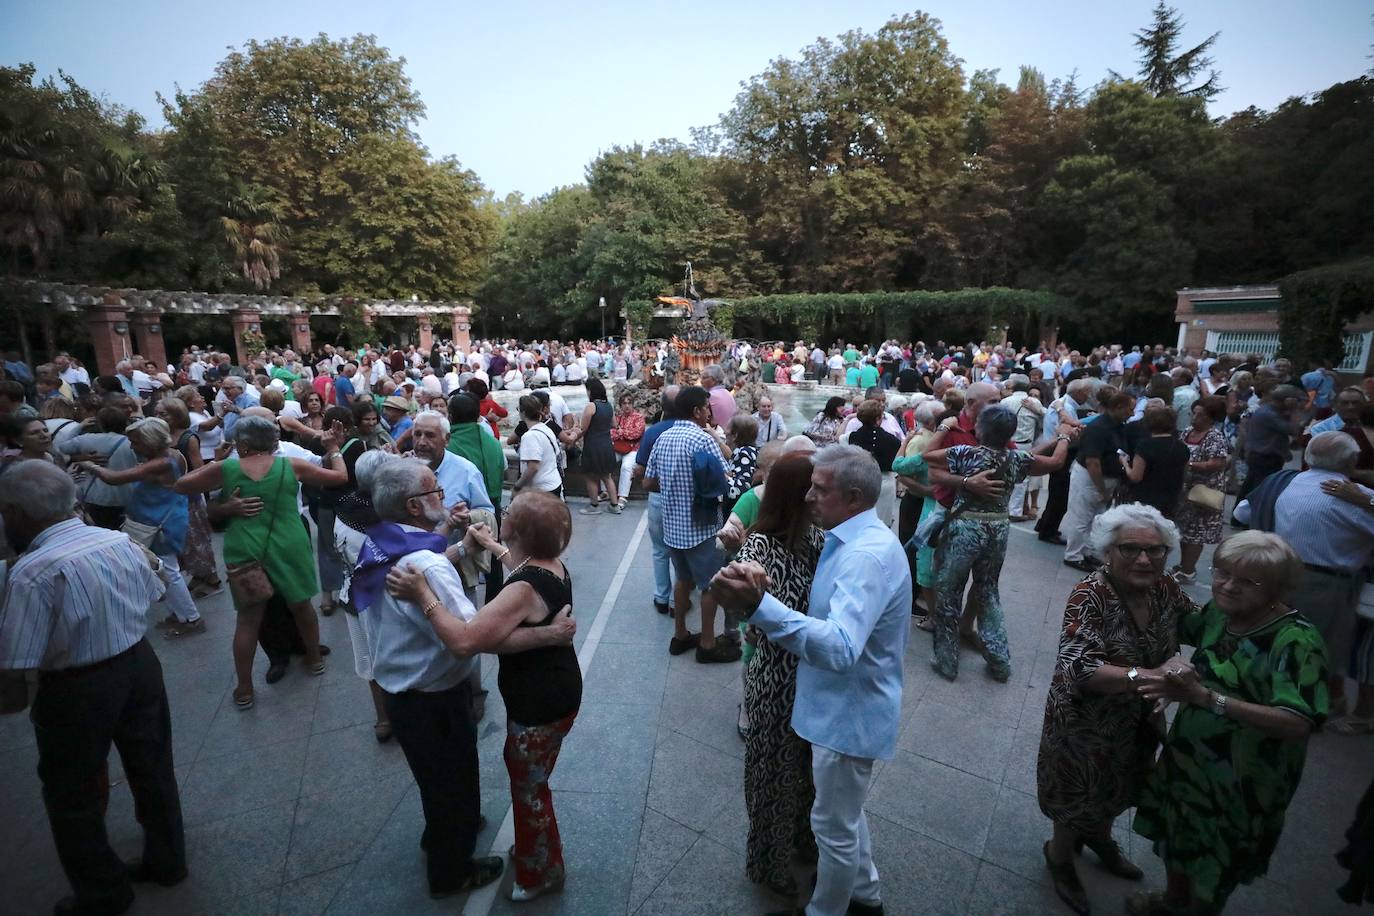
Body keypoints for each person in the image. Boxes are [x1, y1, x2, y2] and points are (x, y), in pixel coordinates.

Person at [710, 445, 911, 916]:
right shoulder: (850, 539)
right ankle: (866, 894)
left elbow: (841, 647)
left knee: (833, 828)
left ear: (854, 497)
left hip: (846, 713)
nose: (810, 496)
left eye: (820, 489)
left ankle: (828, 909)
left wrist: (762, 605)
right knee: (844, 813)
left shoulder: (863, 555)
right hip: (835, 707)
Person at [360, 460, 571, 899]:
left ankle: (443, 833)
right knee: (451, 781)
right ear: (414, 506)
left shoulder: (382, 542)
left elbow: (427, 563)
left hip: (405, 689)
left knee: (437, 777)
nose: (443, 493)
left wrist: (465, 549)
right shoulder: (428, 568)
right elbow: (472, 638)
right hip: (433, 692)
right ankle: (451, 869)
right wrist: (549, 633)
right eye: (434, 489)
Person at [0, 461, 187, 915]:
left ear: (16, 513)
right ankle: (168, 860)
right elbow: (159, 589)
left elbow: (18, 660)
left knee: (72, 791)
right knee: (152, 764)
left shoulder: (31, 572)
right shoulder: (120, 541)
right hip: (138, 664)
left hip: (75, 686)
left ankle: (102, 892)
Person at [1130, 532, 1328, 916]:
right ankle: (1171, 902)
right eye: (1222, 572)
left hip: (1244, 779)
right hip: (1191, 759)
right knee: (1180, 831)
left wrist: (1209, 699)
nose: (1228, 586)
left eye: (1248, 581)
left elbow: (1298, 721)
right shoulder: (1221, 613)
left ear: (1277, 589)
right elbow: (1180, 626)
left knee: (1218, 858)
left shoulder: (1296, 640)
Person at [1037, 504, 1194, 916]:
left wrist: (1183, 664)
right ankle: (1060, 854)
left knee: (1121, 782)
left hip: (1138, 717)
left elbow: (1200, 626)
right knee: (1077, 789)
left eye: (1156, 550)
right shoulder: (1091, 594)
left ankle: (1100, 838)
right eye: (1130, 549)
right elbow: (1080, 667)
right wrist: (1150, 675)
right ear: (1108, 551)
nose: (1145, 559)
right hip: (1085, 719)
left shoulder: (1166, 588)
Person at [174, 415, 346, 709]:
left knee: (249, 619)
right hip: (289, 544)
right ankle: (314, 660)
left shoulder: (226, 469)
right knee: (301, 605)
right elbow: (340, 477)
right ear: (273, 441)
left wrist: (227, 502)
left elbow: (181, 485)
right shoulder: (290, 465)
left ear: (242, 444)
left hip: (246, 548)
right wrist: (334, 449)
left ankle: (244, 688)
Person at [1235, 431, 1374, 730]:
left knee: (1274, 639)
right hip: (1327, 585)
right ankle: (1301, 711)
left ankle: (1276, 703)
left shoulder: (1282, 482)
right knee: (1315, 649)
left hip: (1279, 572)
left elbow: (1241, 512)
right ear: (1351, 461)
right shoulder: (1356, 496)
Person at [923, 406, 1073, 680]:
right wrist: (1063, 437)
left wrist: (945, 427)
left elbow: (927, 456)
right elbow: (1054, 463)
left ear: (979, 430)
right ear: (1010, 433)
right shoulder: (1017, 459)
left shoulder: (965, 453)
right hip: (998, 528)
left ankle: (947, 661)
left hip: (965, 528)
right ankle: (999, 660)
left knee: (949, 592)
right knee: (988, 591)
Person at [736, 454, 825, 904]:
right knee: (771, 773)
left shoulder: (817, 538)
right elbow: (742, 603)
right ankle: (768, 863)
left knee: (807, 771)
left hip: (813, 676)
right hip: (774, 679)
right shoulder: (759, 549)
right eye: (815, 488)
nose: (819, 497)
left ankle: (804, 839)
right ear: (797, 495)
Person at [76, 417, 206, 638]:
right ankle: (179, 613)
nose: (132, 447)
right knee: (162, 568)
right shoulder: (169, 455)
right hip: (159, 519)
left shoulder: (161, 462)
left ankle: (192, 618)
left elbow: (113, 478)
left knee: (168, 570)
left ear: (149, 441)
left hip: (160, 523)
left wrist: (89, 464)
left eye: (135, 442)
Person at [644, 385, 740, 663]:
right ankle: (708, 645)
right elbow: (724, 479)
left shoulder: (663, 437)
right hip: (700, 528)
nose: (710, 412)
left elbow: (648, 482)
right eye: (707, 408)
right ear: (697, 411)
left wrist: (675, 485)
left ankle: (680, 635)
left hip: (672, 526)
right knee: (710, 585)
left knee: (682, 580)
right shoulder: (703, 439)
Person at [1062, 392, 1135, 571]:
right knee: (1082, 516)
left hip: (1104, 479)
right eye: (1130, 409)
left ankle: (1086, 551)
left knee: (1094, 517)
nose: (1132, 413)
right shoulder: (1099, 427)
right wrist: (1101, 489)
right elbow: (1092, 462)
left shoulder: (1117, 425)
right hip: (1090, 479)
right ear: (1118, 407)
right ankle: (1074, 555)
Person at [1171, 397, 1233, 583]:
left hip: (1203, 493)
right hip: (1185, 491)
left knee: (1195, 533)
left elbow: (1217, 463)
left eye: (1201, 415)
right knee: (1185, 530)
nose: (1195, 418)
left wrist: (1189, 464)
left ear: (1211, 418)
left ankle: (1188, 571)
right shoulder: (1187, 432)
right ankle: (1183, 564)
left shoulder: (1215, 437)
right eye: (1194, 413)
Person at [635, 386, 680, 615]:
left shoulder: (653, 432)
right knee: (681, 550)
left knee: (660, 550)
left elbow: (639, 469)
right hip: (684, 499)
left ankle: (662, 597)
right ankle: (677, 601)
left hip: (658, 498)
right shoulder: (693, 431)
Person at [1233, 384, 1304, 522]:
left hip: (1261, 456)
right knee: (1259, 490)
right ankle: (1248, 519)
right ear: (1287, 400)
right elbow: (1293, 430)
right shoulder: (1270, 415)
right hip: (1265, 458)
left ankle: (1239, 519)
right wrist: (1295, 410)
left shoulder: (1268, 411)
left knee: (1250, 487)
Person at [1119, 405, 1189, 518]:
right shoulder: (1182, 447)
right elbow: (1184, 473)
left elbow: (1136, 477)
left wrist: (1125, 464)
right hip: (1171, 498)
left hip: (1146, 499)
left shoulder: (1144, 446)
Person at [569, 378, 621, 515]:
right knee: (607, 476)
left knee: (590, 476)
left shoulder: (591, 406)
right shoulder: (608, 405)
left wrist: (572, 439)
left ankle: (594, 506)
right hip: (607, 445)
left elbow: (583, 429)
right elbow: (614, 425)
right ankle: (614, 505)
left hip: (593, 446)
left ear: (591, 390)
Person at [513, 395, 563, 498]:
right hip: (554, 483)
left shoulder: (530, 436)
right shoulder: (545, 428)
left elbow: (533, 467)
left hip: (541, 489)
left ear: (523, 413)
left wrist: (517, 486)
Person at [610, 391, 645, 510]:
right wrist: (623, 434)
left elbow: (636, 434)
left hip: (633, 449)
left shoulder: (638, 418)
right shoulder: (618, 417)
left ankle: (622, 497)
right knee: (605, 461)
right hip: (619, 447)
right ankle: (606, 491)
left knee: (626, 466)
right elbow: (611, 433)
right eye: (624, 403)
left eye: (629, 403)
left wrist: (621, 432)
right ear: (620, 405)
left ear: (633, 404)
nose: (627, 405)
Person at [846, 399, 899, 472]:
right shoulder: (894, 441)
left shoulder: (847, 438)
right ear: (877, 419)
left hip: (857, 479)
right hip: (885, 481)